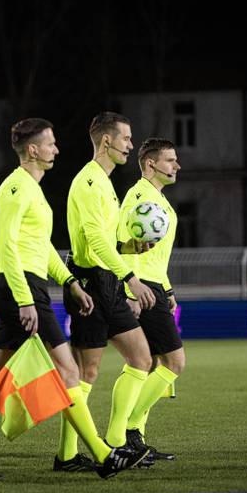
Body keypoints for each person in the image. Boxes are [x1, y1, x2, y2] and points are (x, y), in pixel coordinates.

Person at [0, 118, 147, 480]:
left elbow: (42, 247)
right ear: (33, 149)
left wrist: (70, 282)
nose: (56, 149)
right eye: (50, 143)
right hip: (19, 287)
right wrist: (25, 300)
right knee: (68, 371)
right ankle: (102, 454)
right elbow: (6, 246)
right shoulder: (15, 187)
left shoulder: (33, 189)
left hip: (26, 287)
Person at [58, 112, 155, 465]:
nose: (130, 144)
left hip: (109, 282)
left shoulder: (104, 182)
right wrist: (130, 276)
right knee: (86, 373)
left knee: (141, 358)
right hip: (90, 284)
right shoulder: (88, 182)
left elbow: (109, 240)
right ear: (106, 141)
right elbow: (94, 240)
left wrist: (130, 247)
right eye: (126, 139)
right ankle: (67, 455)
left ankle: (117, 439)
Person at [118, 138, 182, 464]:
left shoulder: (159, 200)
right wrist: (131, 291)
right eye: (171, 160)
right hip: (142, 290)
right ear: (151, 164)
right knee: (174, 362)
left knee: (151, 364)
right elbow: (121, 244)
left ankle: (136, 439)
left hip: (154, 287)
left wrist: (167, 290)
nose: (177, 166)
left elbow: (156, 257)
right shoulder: (139, 197)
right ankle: (127, 431)